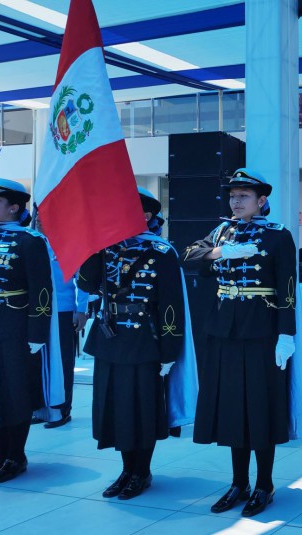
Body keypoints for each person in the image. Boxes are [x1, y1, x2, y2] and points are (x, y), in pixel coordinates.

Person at [185, 169, 302, 518]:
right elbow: (189, 256)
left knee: (259, 407)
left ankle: (264, 484)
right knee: (231, 407)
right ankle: (238, 482)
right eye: (232, 196)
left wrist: (286, 334)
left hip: (261, 330)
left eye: (244, 196)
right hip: (224, 330)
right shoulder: (221, 233)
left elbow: (287, 289)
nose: (236, 201)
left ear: (261, 200)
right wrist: (219, 253)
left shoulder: (278, 235)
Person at [77, 187, 197, 501]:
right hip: (109, 338)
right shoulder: (107, 247)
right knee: (115, 408)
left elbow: (171, 305)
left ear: (145, 214)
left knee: (142, 410)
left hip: (145, 341)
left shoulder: (161, 251)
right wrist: (93, 246)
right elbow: (86, 282)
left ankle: (141, 471)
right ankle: (126, 469)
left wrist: (170, 351)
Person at [0, 179, 53, 484]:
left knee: (14, 392)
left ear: (14, 208)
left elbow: (41, 290)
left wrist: (37, 334)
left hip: (13, 328)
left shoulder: (29, 241)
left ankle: (15, 456)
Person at [32, 216, 89, 429]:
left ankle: (62, 409)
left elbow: (82, 281)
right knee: (36, 360)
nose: (39, 221)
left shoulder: (69, 246)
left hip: (63, 311)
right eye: (37, 218)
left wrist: (81, 310)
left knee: (63, 361)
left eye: (44, 218)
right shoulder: (31, 243)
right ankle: (40, 408)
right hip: (36, 311)